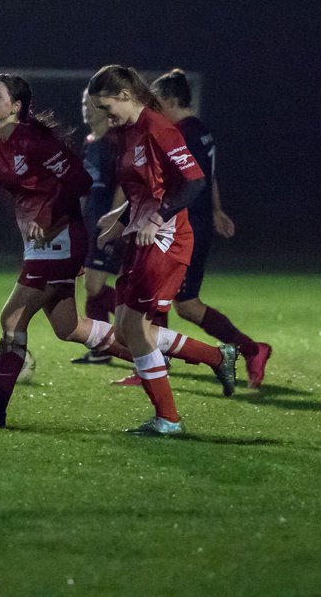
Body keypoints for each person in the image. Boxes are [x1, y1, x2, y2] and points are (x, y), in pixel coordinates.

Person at [0, 75, 136, 428]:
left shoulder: (35, 141)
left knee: (11, 319)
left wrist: (48, 215)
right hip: (39, 244)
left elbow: (79, 180)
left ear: (16, 107)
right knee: (69, 328)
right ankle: (155, 355)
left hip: (60, 239)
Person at [89, 65, 238, 436]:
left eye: (108, 108)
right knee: (125, 331)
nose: (107, 117)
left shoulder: (160, 129)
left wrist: (157, 218)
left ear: (126, 96)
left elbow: (194, 183)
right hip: (141, 236)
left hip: (167, 238)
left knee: (135, 329)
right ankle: (217, 356)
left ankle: (168, 419)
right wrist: (118, 223)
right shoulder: (127, 134)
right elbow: (142, 193)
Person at [71, 89, 126, 365]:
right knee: (90, 287)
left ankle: (145, 327)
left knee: (94, 287)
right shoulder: (90, 141)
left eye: (92, 105)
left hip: (108, 223)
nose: (86, 108)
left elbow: (124, 184)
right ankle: (102, 349)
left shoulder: (115, 142)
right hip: (90, 221)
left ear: (107, 109)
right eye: (83, 103)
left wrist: (114, 219)